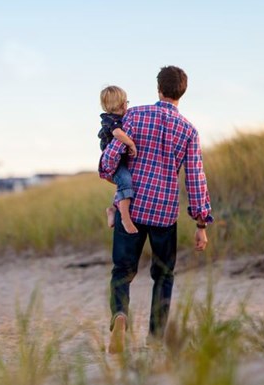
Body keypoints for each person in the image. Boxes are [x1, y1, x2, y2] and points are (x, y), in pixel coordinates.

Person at [99, 66, 213, 354]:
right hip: (164, 213)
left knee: (122, 272)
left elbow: (109, 159)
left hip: (133, 208)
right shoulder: (189, 130)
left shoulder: (135, 115)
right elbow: (196, 178)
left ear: (158, 89)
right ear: (182, 92)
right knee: (163, 275)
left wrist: (111, 172)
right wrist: (201, 224)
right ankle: (156, 338)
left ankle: (120, 316)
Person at [98, 86, 139, 234]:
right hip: (113, 163)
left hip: (120, 161)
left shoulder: (121, 118)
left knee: (124, 184)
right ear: (122, 104)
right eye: (126, 102)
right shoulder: (111, 120)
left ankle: (113, 210)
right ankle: (125, 219)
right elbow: (117, 133)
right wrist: (131, 143)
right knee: (126, 181)